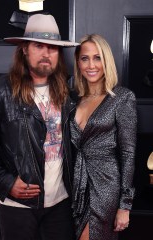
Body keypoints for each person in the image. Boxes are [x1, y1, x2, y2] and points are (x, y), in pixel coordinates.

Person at [0, 14, 79, 240]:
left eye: (52, 48)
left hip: (60, 201)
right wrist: (7, 182)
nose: (45, 54)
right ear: (24, 49)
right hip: (17, 205)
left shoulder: (67, 93)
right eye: (38, 45)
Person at [70, 34, 137, 240]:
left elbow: (128, 153)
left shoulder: (122, 98)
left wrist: (125, 205)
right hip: (74, 184)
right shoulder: (74, 99)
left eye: (98, 58)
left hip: (105, 185)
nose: (91, 65)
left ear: (106, 61)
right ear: (78, 63)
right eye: (85, 58)